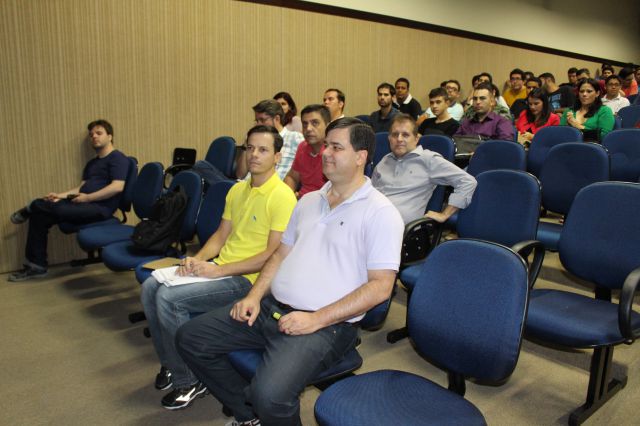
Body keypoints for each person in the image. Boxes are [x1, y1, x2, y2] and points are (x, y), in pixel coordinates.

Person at [175, 117, 404, 426]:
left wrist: (315, 319)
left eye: (337, 147)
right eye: (326, 145)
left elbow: (380, 287)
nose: (325, 153)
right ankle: (249, 416)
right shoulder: (308, 200)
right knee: (191, 338)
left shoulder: (381, 213)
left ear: (361, 157)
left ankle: (261, 409)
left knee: (269, 395)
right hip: (271, 308)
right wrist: (254, 296)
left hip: (326, 325)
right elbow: (280, 255)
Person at [141, 124, 297, 410]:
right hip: (221, 268)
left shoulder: (282, 196)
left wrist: (218, 270)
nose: (254, 155)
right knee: (151, 286)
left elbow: (272, 255)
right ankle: (173, 364)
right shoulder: (237, 190)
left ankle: (189, 380)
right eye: (250, 148)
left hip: (249, 279)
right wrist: (199, 260)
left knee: (168, 299)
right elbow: (221, 235)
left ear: (277, 156)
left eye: (263, 150)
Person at [9, 120, 129, 281]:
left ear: (110, 136)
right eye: (91, 134)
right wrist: (59, 196)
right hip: (83, 204)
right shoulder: (92, 163)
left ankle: (32, 206)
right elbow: (81, 188)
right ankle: (36, 266)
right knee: (40, 215)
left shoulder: (118, 158)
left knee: (54, 208)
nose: (94, 136)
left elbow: (117, 187)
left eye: (99, 133)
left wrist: (87, 198)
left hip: (100, 208)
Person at [373, 113, 476, 224]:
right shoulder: (385, 160)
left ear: (416, 138)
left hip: (398, 226)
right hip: (371, 218)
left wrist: (444, 215)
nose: (399, 139)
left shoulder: (428, 160)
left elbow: (467, 181)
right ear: (389, 138)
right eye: (395, 135)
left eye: (405, 135)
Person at [236, 100, 304, 180]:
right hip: (247, 184)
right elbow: (240, 175)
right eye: (257, 121)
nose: (258, 124)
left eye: (262, 120)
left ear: (277, 119)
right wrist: (246, 146)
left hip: (276, 186)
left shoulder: (295, 137)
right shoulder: (255, 140)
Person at [284, 104, 330, 198]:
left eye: (315, 123)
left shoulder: (335, 152)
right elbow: (292, 177)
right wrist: (288, 196)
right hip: (302, 200)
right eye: (305, 124)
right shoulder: (302, 147)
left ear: (328, 126)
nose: (308, 128)